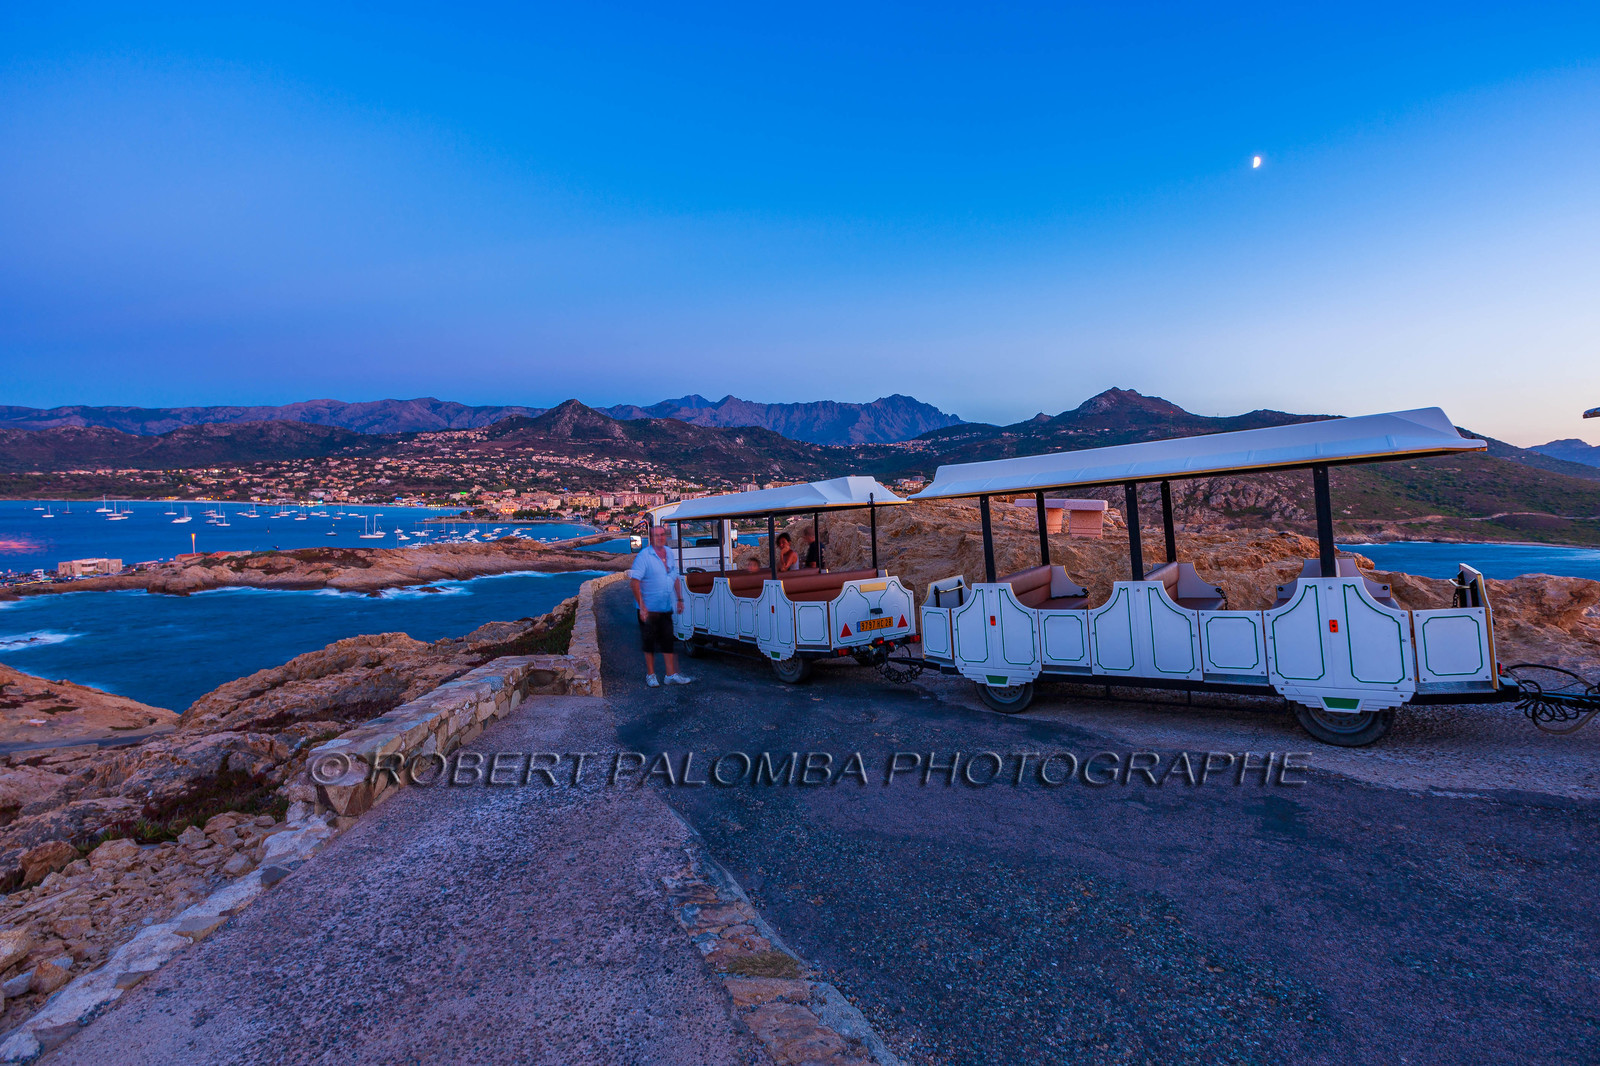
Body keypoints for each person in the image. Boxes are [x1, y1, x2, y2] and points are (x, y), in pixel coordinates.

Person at [628, 524, 691, 687]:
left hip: (664, 606)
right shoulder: (644, 556)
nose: (660, 538)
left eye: (663, 535)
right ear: (651, 538)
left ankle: (670, 675)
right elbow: (634, 582)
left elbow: (675, 576)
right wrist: (642, 606)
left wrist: (679, 599)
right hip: (648, 609)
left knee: (667, 641)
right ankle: (651, 675)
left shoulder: (669, 553)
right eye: (657, 535)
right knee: (649, 643)